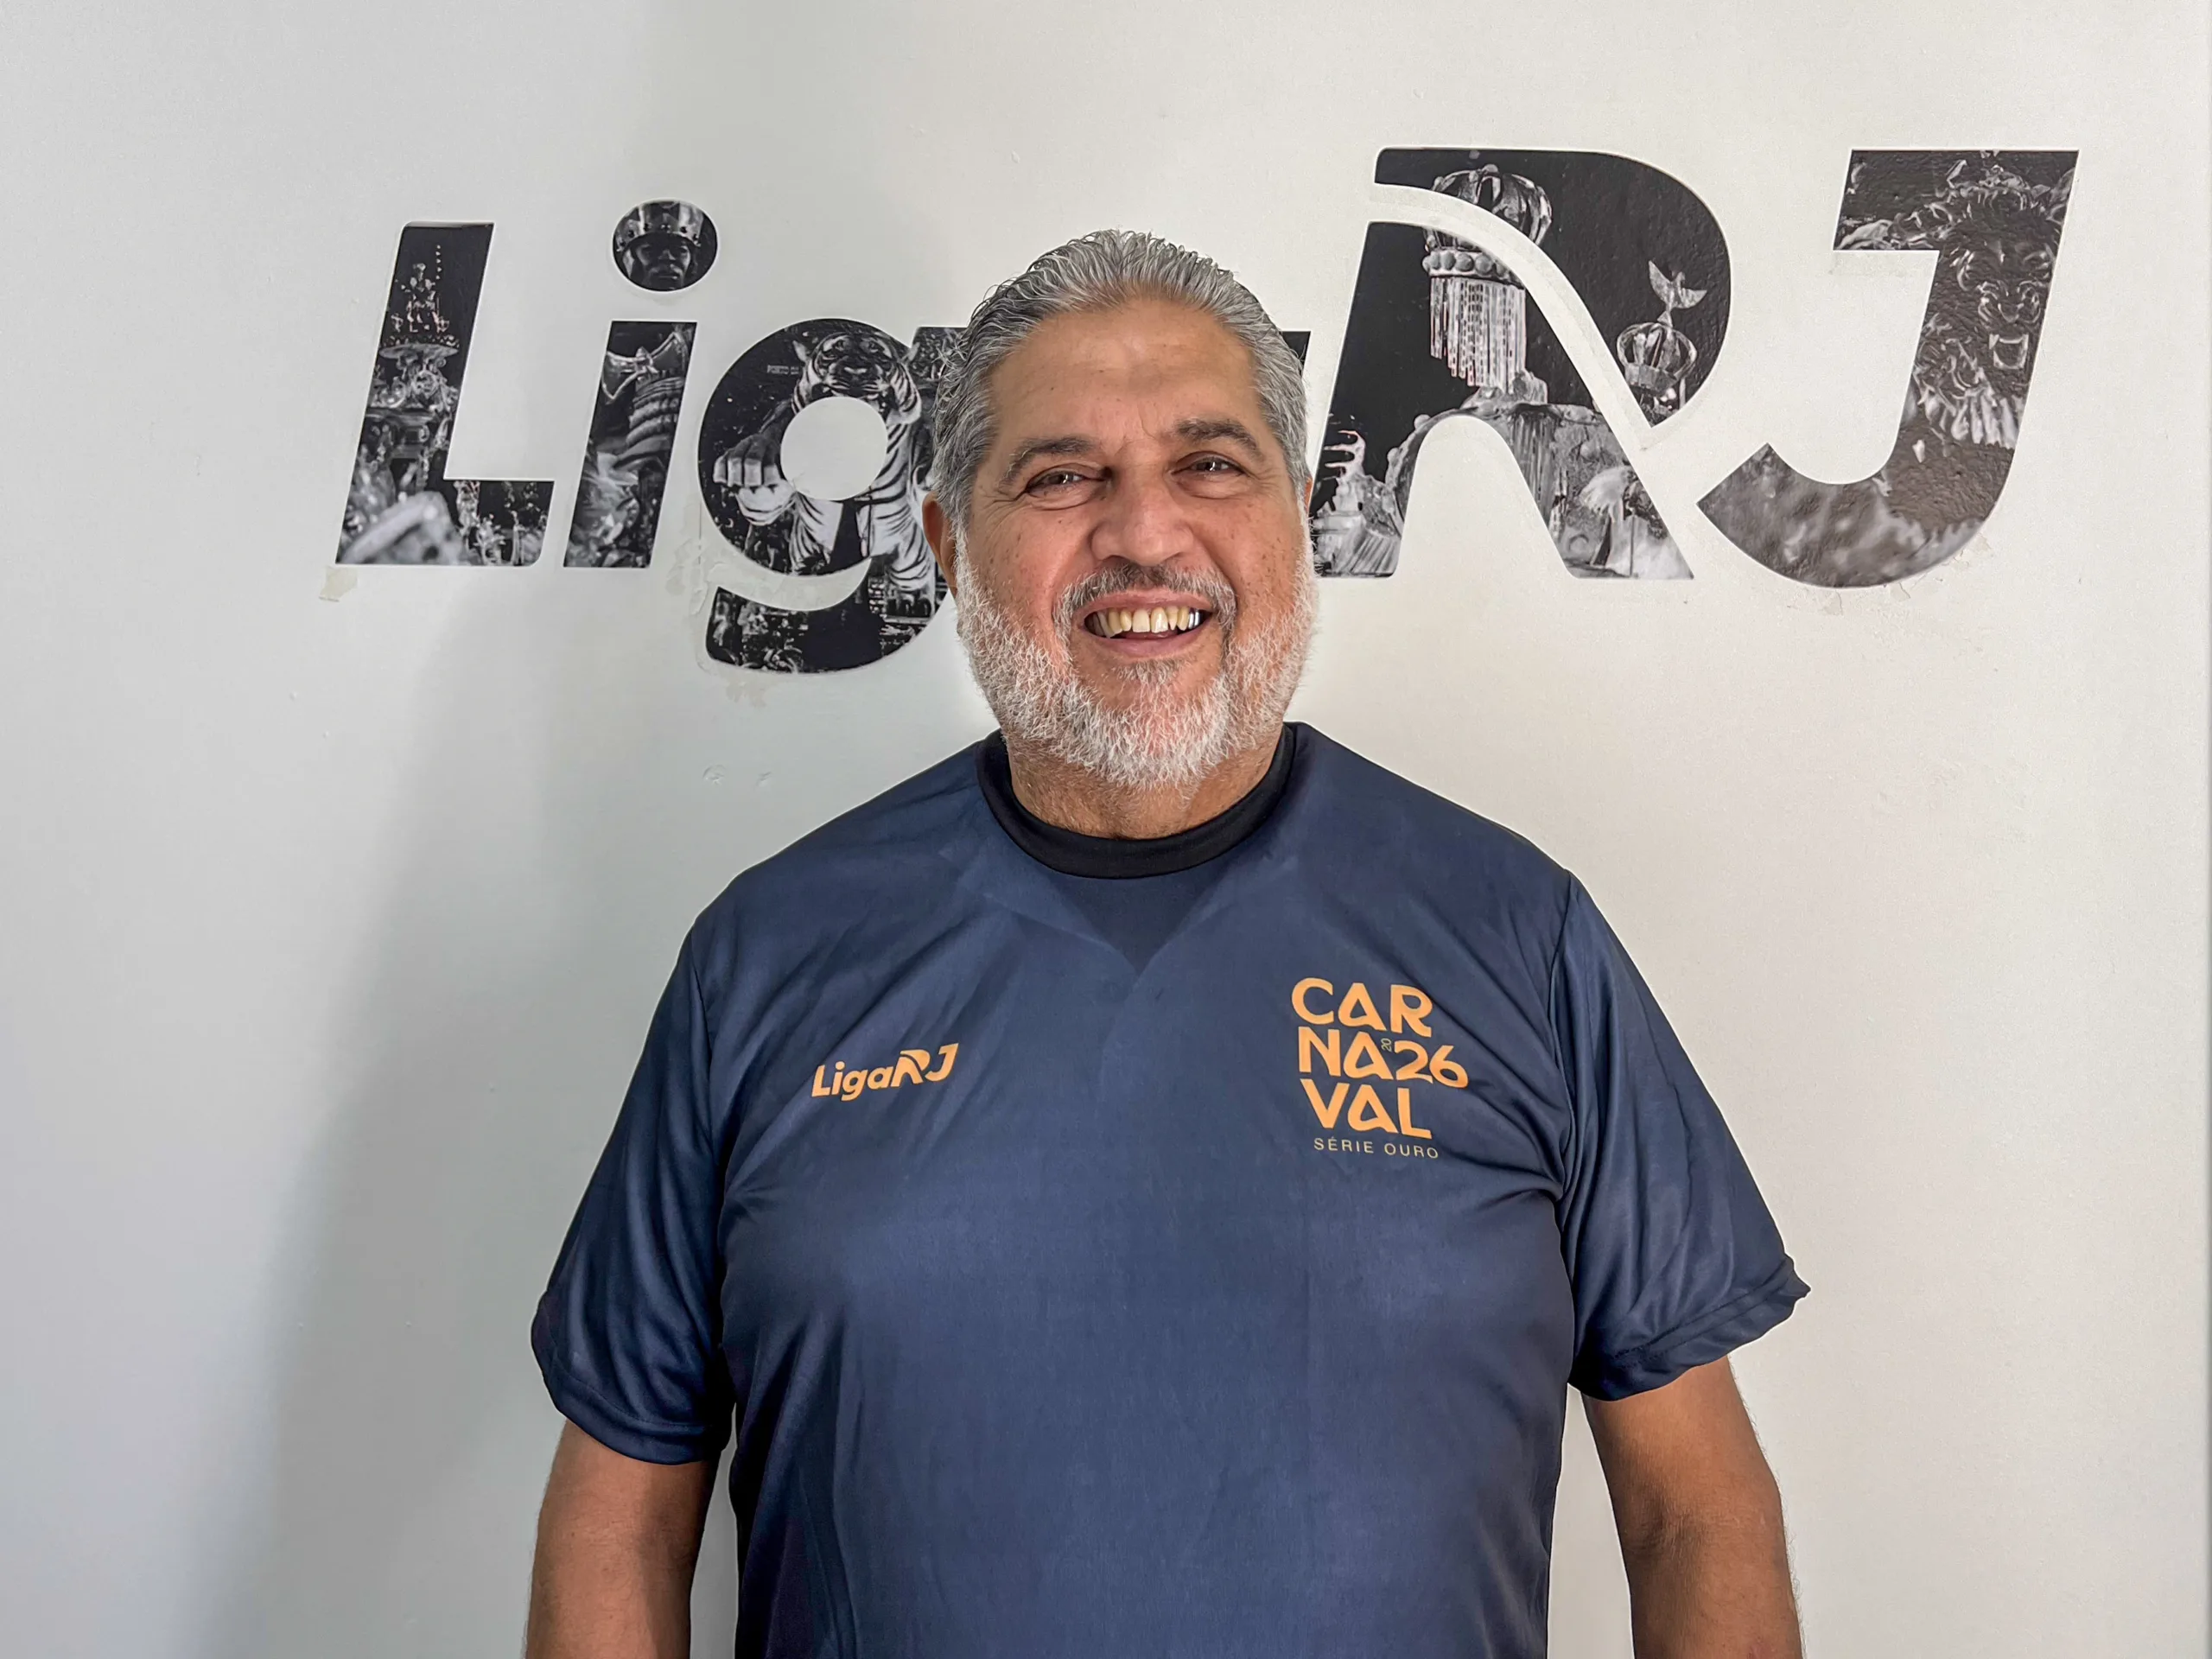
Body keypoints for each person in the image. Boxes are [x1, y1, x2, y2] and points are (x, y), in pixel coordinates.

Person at [524, 230, 1808, 1658]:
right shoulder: (769, 957)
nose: (1144, 534)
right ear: (949, 546)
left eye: (1209, 464)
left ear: (1301, 518)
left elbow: (1696, 1511)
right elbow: (621, 1519)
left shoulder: (1517, 933)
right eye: (1061, 477)